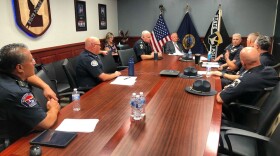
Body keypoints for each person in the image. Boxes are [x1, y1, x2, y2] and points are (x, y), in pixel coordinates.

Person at [0, 43, 60, 148]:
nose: (34, 62)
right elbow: (45, 123)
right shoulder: (17, 92)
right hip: (12, 142)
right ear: (19, 68)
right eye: (31, 60)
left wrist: (45, 87)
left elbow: (28, 76)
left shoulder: (6, 73)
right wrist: (53, 108)